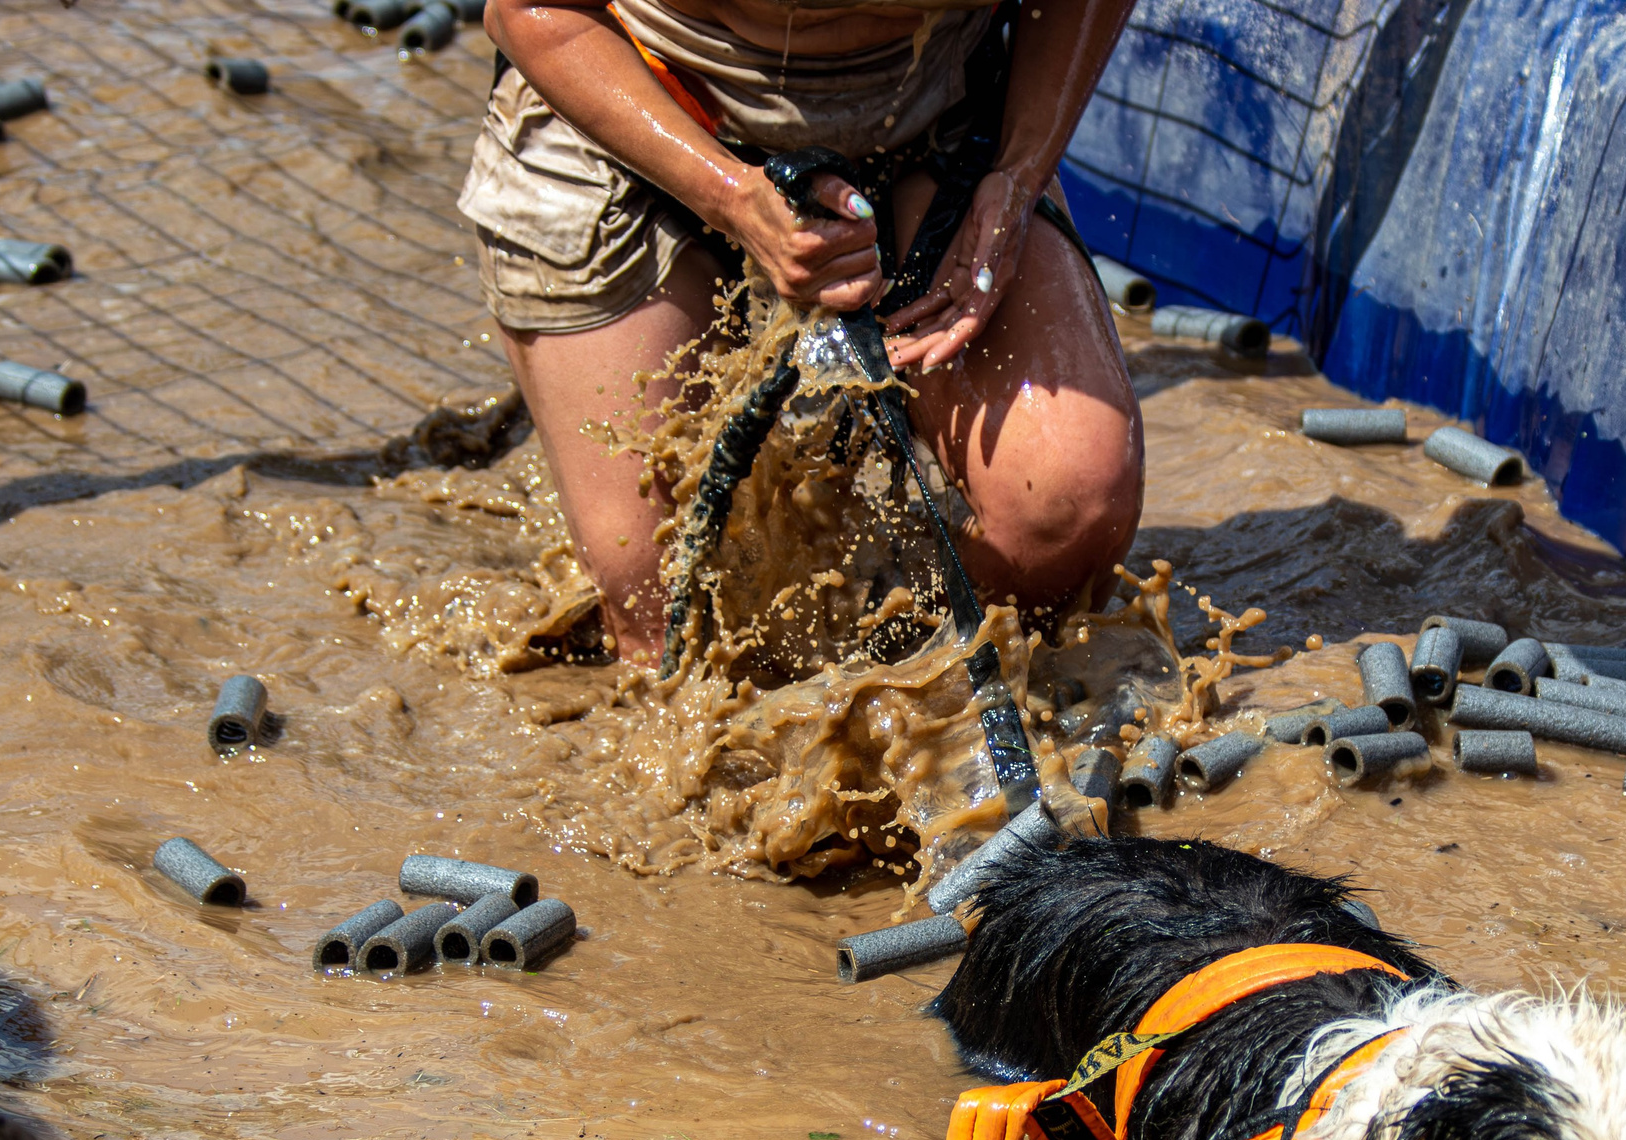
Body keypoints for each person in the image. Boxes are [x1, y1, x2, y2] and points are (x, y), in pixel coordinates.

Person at [465, 0, 1146, 665]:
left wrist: (1021, 171)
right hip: (634, 105)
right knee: (664, 608)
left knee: (1067, 510)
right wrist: (731, 195)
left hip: (933, 108)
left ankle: (921, 696)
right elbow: (528, 11)